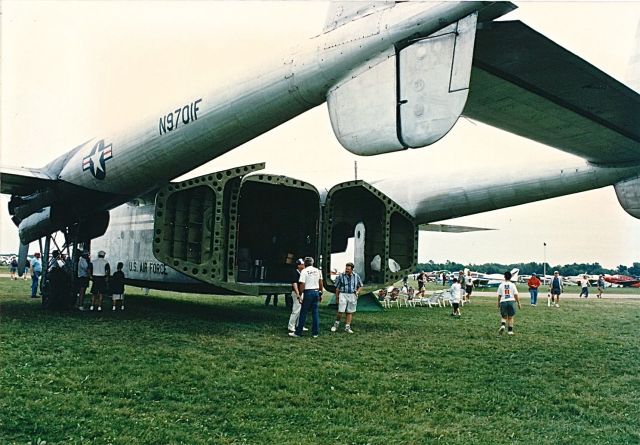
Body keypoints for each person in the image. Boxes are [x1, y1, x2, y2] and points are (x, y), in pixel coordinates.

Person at [290, 256, 323, 338]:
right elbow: (320, 281)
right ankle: (315, 333)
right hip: (316, 291)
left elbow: (302, 284)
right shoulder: (317, 270)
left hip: (308, 292)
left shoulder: (304, 271)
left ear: (305, 263)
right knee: (315, 313)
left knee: (303, 312)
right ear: (312, 262)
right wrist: (320, 292)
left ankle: (298, 332)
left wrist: (300, 295)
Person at [331, 262, 363, 334]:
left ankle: (347, 327)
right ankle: (336, 324)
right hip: (343, 294)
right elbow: (337, 288)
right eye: (346, 268)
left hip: (352, 294)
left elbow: (361, 285)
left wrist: (357, 292)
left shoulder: (356, 276)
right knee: (340, 311)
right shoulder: (341, 276)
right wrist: (337, 298)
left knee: (349, 311)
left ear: (352, 269)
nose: (346, 270)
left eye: (348, 269)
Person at [497, 270, 521, 335]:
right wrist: (518, 303)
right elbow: (516, 294)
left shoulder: (501, 285)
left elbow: (499, 295)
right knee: (510, 317)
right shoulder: (513, 285)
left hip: (503, 301)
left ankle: (503, 325)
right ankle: (510, 331)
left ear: (504, 277)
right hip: (511, 301)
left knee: (504, 316)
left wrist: (498, 303)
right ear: (511, 277)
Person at [287, 259, 306, 333]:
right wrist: (298, 294)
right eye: (302, 264)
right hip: (296, 293)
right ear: (299, 265)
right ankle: (291, 326)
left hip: (302, 292)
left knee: (301, 310)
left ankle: (299, 324)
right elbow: (294, 284)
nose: (304, 265)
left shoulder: (302, 273)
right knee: (296, 309)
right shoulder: (295, 273)